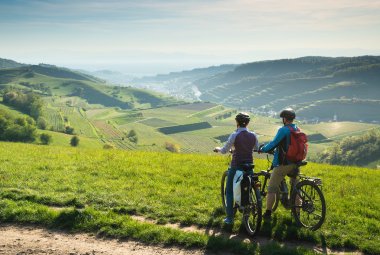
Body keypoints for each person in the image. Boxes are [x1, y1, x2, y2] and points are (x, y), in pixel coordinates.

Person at [214, 112, 259, 224]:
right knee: (248, 187)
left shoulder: (234, 135)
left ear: (237, 122)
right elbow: (257, 148)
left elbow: (224, 150)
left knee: (229, 191)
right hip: (249, 165)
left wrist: (218, 149)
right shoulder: (253, 135)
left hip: (237, 165)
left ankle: (229, 218)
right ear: (247, 123)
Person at [258, 108, 299, 219]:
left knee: (271, 188)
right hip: (296, 163)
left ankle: (268, 213)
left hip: (284, 164)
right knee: (296, 188)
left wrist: (262, 149)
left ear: (284, 119)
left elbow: (274, 143)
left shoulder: (284, 130)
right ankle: (297, 214)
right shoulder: (296, 129)